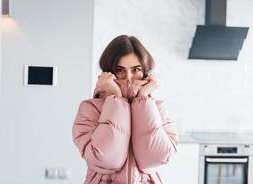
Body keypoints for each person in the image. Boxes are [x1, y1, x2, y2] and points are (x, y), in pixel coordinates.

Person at [72, 35, 179, 184]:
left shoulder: (159, 109)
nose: (129, 78)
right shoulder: (90, 109)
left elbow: (154, 158)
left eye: (136, 70)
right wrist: (116, 98)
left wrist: (143, 98)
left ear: (146, 72)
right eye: (120, 70)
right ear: (108, 72)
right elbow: (107, 159)